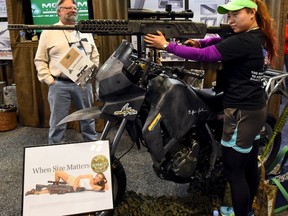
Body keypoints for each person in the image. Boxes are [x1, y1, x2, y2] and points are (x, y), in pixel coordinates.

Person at [144, 0, 278, 215]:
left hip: (240, 112)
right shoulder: (256, 36)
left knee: (234, 172)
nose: (230, 20)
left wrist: (167, 46)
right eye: (229, 15)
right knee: (249, 165)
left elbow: (209, 56)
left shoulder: (244, 41)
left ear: (251, 13)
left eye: (235, 15)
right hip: (253, 109)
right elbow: (219, 40)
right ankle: (247, 211)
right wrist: (201, 42)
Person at [34, 0, 99, 144]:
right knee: (58, 122)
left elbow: (95, 54)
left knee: (88, 119)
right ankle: (56, 149)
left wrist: (90, 74)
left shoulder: (84, 30)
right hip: (59, 85)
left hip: (83, 83)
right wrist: (50, 80)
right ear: (59, 11)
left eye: (75, 8)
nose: (73, 10)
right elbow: (39, 60)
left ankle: (92, 148)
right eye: (68, 8)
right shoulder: (48, 32)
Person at [25, 171, 109, 195]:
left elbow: (107, 188)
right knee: (57, 173)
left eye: (100, 178)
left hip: (74, 189)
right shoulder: (90, 176)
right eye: (97, 176)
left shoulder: (95, 187)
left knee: (54, 189)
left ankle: (36, 192)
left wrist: (105, 181)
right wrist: (75, 184)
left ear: (101, 180)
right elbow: (79, 177)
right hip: (73, 181)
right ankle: (55, 186)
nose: (97, 178)